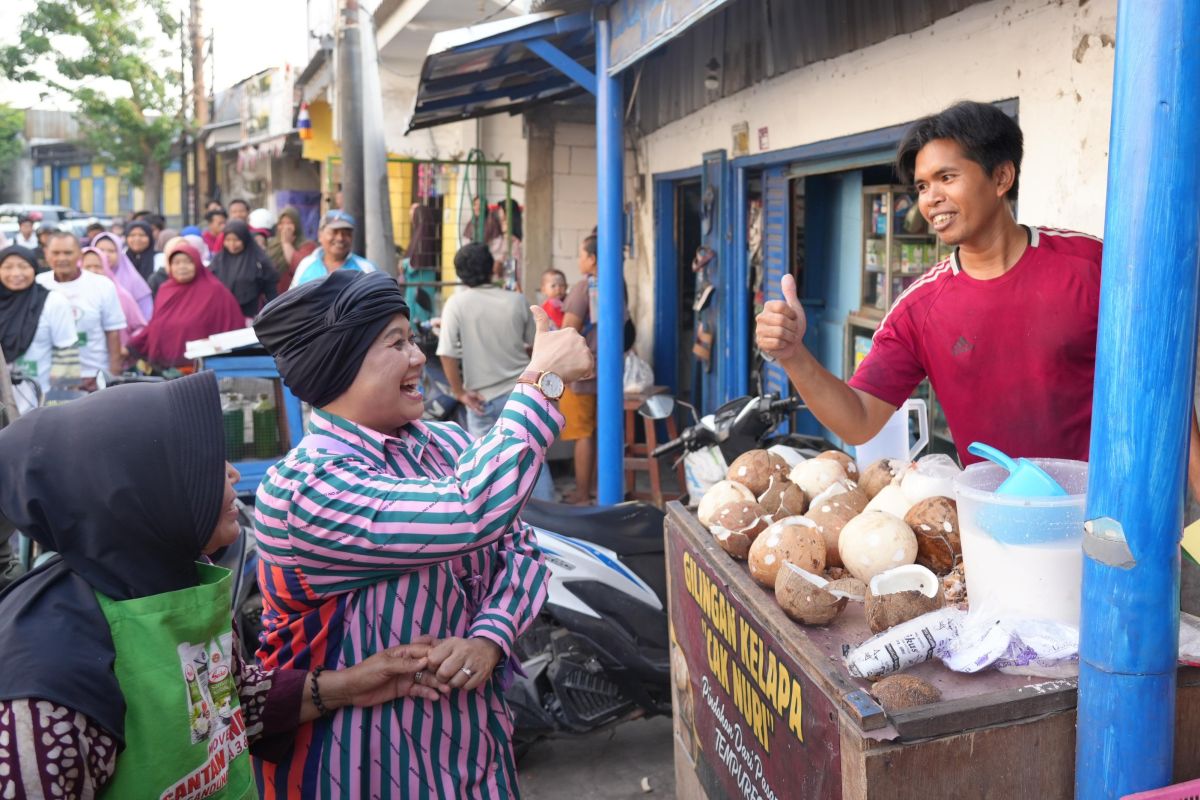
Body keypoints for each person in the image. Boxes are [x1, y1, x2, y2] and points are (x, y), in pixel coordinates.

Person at [0, 371, 447, 798]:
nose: (233, 475)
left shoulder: (174, 581)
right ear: (140, 490)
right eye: (207, 466)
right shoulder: (47, 684)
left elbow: (227, 707)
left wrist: (353, 683)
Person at [249, 270, 592, 797]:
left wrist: (489, 637)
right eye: (396, 343)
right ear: (340, 363)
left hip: (472, 757)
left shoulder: (444, 443)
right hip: (358, 769)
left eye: (412, 339)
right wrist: (541, 380)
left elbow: (520, 550)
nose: (418, 358)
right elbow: (471, 512)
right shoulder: (304, 489)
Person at [756, 100, 1103, 465]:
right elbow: (859, 420)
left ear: (1001, 177)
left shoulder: (1089, 265)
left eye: (947, 178)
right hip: (989, 516)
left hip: (1101, 515)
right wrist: (794, 355)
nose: (930, 199)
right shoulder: (919, 308)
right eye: (922, 186)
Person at [437, 242, 556, 500]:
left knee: (486, 466)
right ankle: (551, 523)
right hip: (523, 394)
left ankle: (495, 524)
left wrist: (459, 393)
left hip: (482, 400)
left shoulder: (456, 305)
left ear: (460, 274)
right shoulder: (516, 300)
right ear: (492, 268)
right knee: (533, 458)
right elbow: (542, 341)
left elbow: (446, 353)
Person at [126, 239, 246, 369]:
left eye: (188, 262)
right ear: (169, 266)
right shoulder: (165, 290)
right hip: (164, 369)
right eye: (176, 263)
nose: (182, 267)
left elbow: (233, 328)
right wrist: (132, 346)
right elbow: (154, 325)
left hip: (202, 368)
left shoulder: (215, 291)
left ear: (198, 264)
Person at [35, 232, 126, 388]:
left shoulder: (102, 285)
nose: (62, 258)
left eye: (68, 253)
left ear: (79, 253)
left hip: (93, 375)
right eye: (56, 253)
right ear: (46, 254)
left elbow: (113, 332)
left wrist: (113, 373)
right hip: (48, 376)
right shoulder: (38, 283)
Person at [0, 245, 77, 415]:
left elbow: (67, 354)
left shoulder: (53, 302)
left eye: (23, 266)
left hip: (39, 403)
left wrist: (58, 403)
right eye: (7, 267)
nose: (15, 274)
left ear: (34, 268)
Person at [79, 246, 147, 353]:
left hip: (118, 361)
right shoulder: (73, 296)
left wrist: (127, 348)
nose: (93, 271)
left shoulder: (121, 296)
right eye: (87, 267)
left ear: (106, 267)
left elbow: (141, 328)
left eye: (98, 266)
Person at [210, 218, 280, 320]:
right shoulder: (218, 260)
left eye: (236, 240)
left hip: (251, 315)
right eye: (228, 240)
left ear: (245, 239)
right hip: (224, 314)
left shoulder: (258, 260)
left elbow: (271, 291)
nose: (232, 245)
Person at [290, 209, 377, 288]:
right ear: (320, 235)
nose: (340, 238)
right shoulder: (306, 265)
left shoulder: (367, 269)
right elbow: (291, 300)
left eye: (346, 234)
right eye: (334, 232)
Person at [91, 230, 154, 320]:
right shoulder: (85, 278)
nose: (105, 255)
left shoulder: (133, 280)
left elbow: (146, 314)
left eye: (111, 251)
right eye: (100, 250)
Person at [266, 205, 316, 293]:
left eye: (289, 223)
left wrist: (286, 243)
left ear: (296, 225)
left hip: (295, 295)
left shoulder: (307, 246)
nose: (285, 227)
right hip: (273, 297)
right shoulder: (272, 245)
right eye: (282, 223)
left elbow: (300, 267)